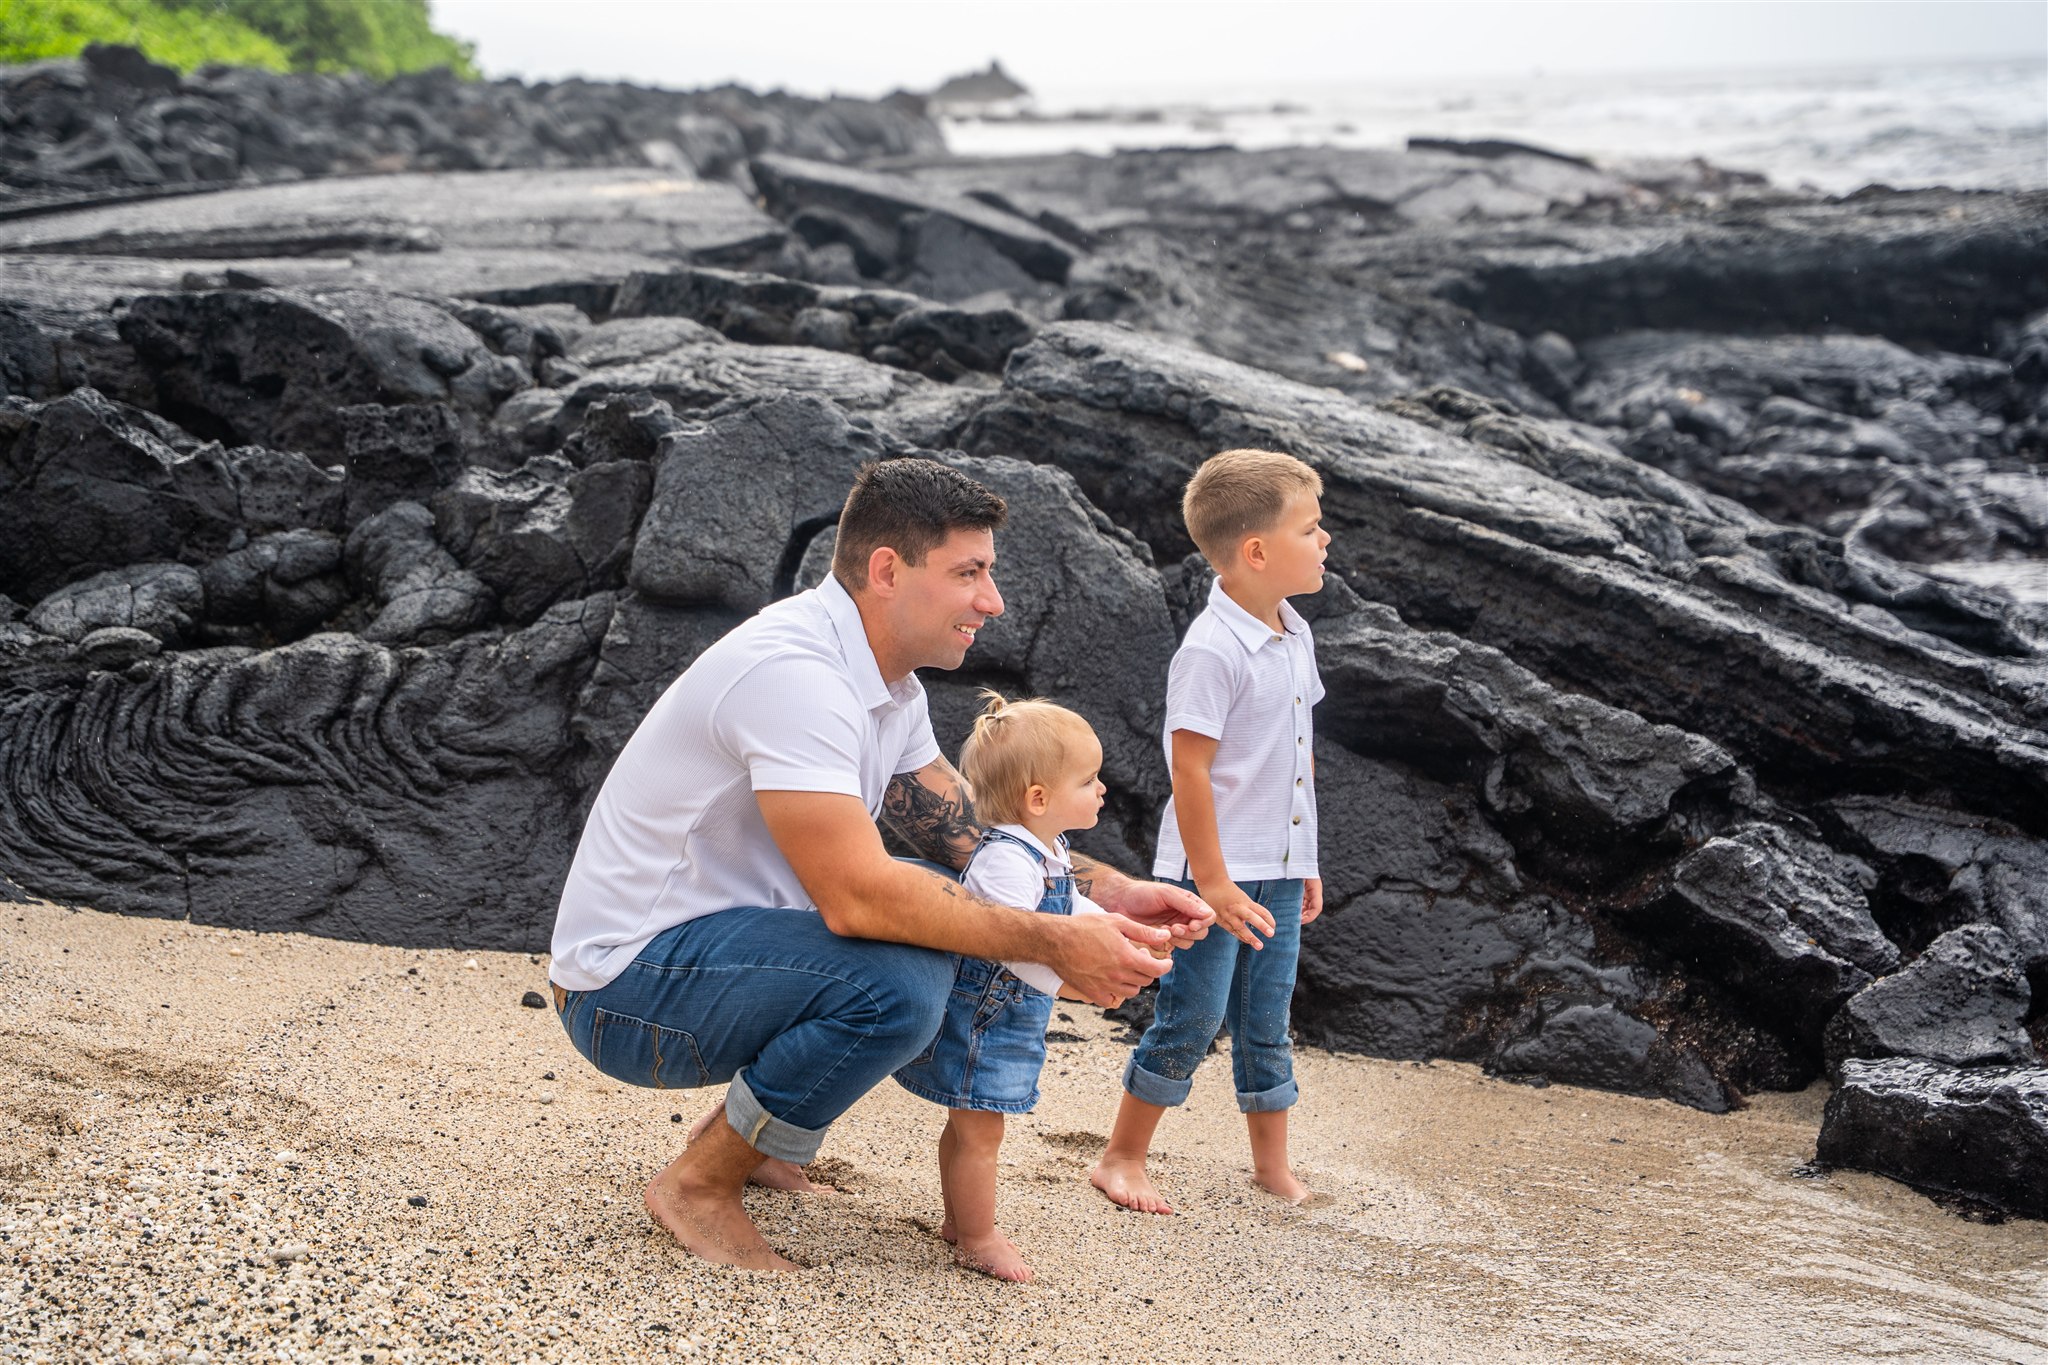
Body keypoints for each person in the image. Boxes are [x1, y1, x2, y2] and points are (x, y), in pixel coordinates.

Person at [547, 458, 1214, 1271]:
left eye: (989, 574)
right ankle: (696, 1183)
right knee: (900, 979)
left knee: (932, 916)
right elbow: (859, 899)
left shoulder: (885, 688)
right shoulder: (799, 677)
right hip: (625, 989)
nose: (992, 602)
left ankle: (759, 1146)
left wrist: (1110, 892)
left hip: (703, 960)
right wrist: (1052, 942)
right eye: (969, 574)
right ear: (887, 569)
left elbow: (970, 833)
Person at [1091, 448, 1331, 1214]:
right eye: (1312, 527)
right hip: (1209, 872)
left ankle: (1271, 1165)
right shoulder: (1211, 649)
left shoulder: (1295, 633)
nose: (1325, 540)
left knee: (1268, 1017)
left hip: (1280, 867)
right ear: (1257, 551)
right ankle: (1121, 1156)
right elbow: (1189, 772)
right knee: (1190, 1016)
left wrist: (1307, 858)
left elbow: (1298, 755)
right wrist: (1215, 882)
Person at [893, 692, 1112, 1284]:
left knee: (970, 1125)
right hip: (985, 1018)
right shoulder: (1006, 861)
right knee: (981, 1129)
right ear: (1038, 798)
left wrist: (1120, 932)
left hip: (1007, 1017)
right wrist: (1077, 985)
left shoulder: (1048, 848)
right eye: (1089, 779)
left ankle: (958, 1221)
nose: (1102, 790)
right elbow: (1015, 946)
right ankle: (979, 1236)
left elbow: (1067, 912)